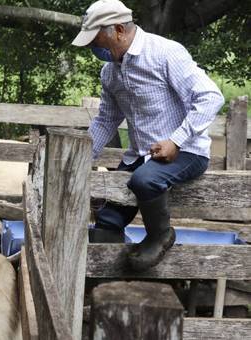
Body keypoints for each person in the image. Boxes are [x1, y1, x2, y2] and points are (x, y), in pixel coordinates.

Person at [71, 0, 224, 271]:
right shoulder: (110, 72)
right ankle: (104, 284)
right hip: (142, 154)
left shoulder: (165, 53)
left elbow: (211, 97)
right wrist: (82, 157)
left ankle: (160, 235)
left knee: (144, 181)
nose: (95, 49)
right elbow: (106, 120)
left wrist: (176, 140)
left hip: (187, 150)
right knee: (109, 217)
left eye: (97, 41)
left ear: (119, 30)